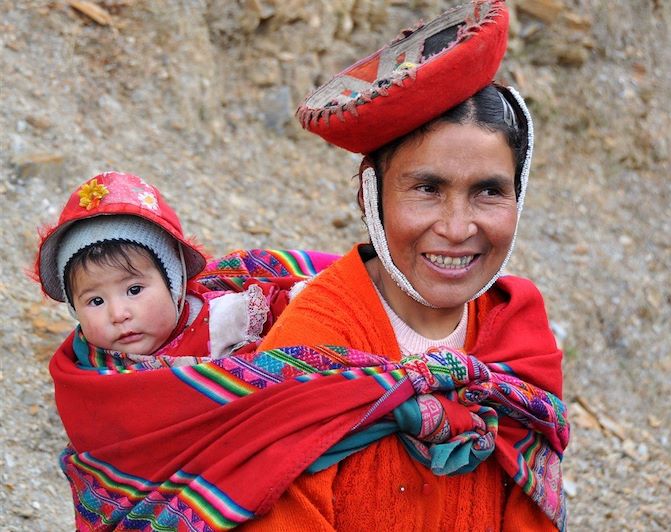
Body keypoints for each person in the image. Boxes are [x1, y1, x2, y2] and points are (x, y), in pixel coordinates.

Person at [245, 0, 568, 529]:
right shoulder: (312, 345)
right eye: (427, 189)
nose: (458, 227)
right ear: (370, 197)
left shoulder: (518, 331)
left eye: (489, 192)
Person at [35, 171, 277, 370]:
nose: (119, 314)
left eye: (134, 289)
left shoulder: (227, 322)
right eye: (96, 301)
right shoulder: (85, 369)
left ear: (174, 285)